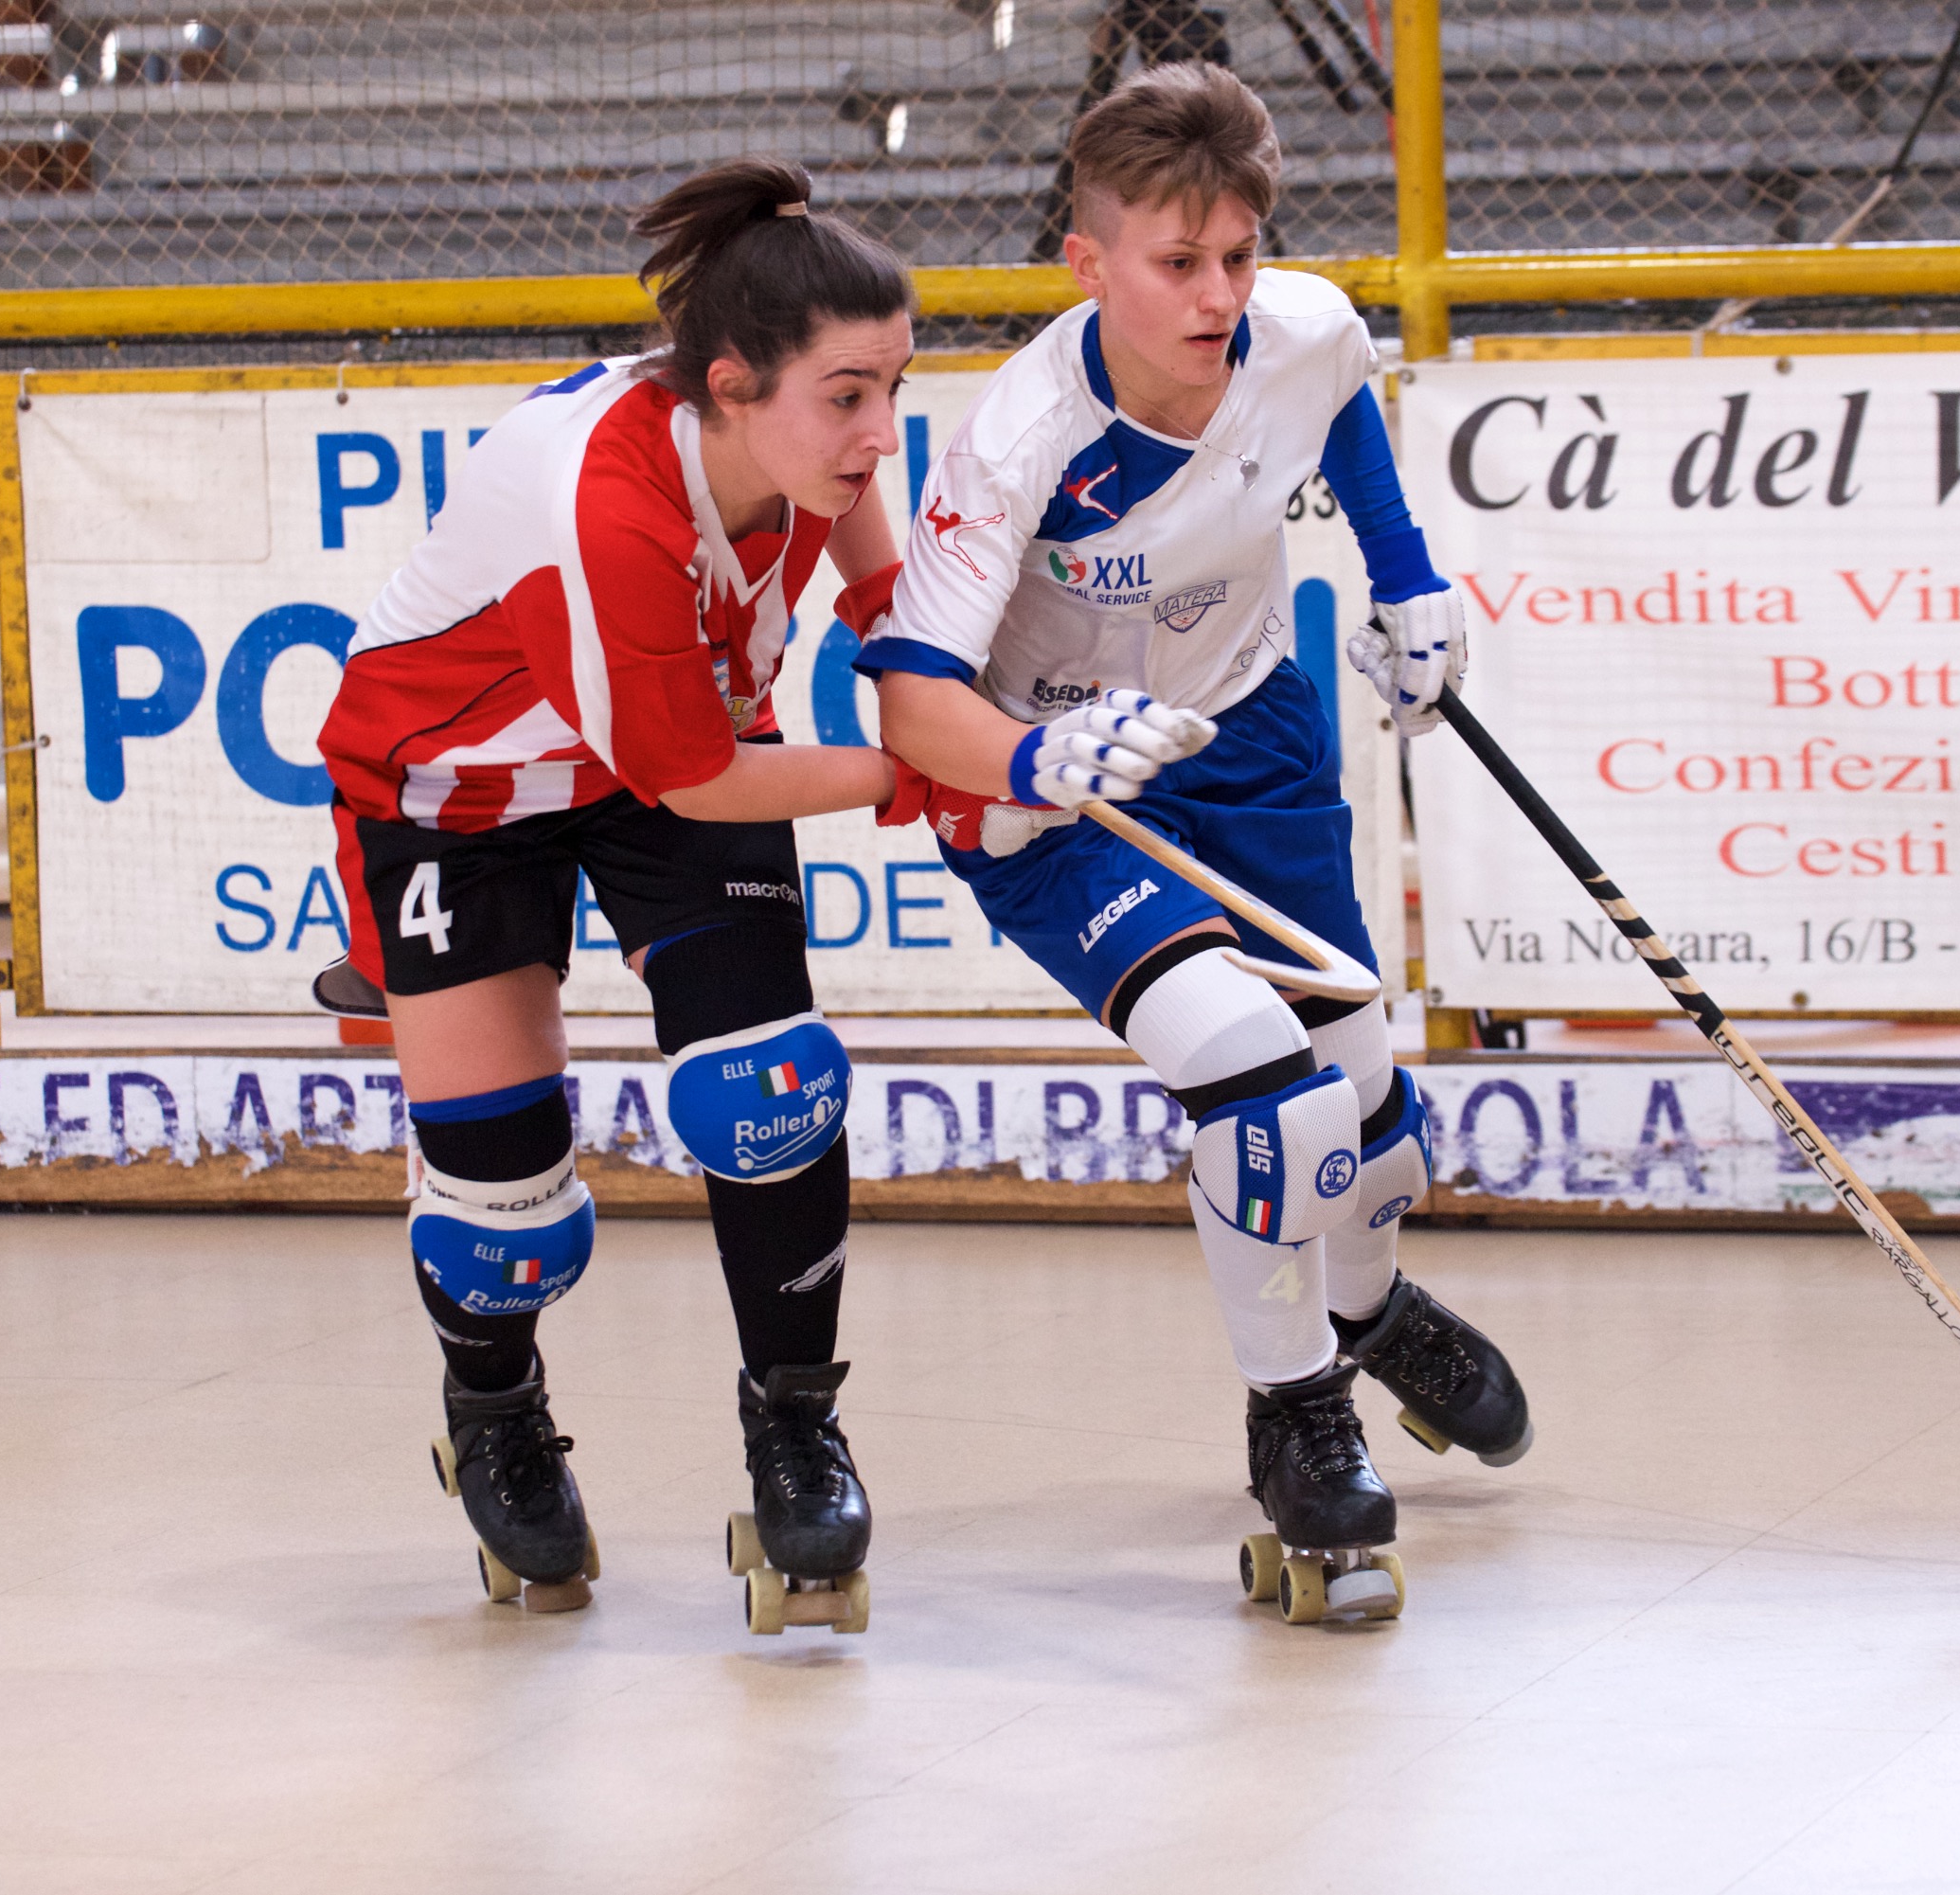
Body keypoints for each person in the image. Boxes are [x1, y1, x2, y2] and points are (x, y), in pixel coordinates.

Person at [846, 63, 1529, 1624]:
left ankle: (1367, 1304)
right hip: (1060, 792)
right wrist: (1037, 755)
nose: (1220, 294)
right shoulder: (1020, 433)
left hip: (1249, 733)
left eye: (1238, 253)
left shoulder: (1298, 321)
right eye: (1178, 264)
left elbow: (1338, 394)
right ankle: (1299, 1420)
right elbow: (905, 695)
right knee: (1257, 1084)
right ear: (1086, 262)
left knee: (1368, 1119)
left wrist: (1407, 579)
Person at [312, 158, 909, 1620]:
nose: (882, 429)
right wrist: (923, 775)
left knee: (770, 1081)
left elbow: (907, 626)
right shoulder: (608, 504)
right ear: (730, 384)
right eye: (848, 394)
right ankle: (494, 1408)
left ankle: (795, 1422)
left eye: (896, 383)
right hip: (461, 790)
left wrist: (1023, 732)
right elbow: (700, 776)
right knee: (501, 1203)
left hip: (661, 762)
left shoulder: (820, 460)